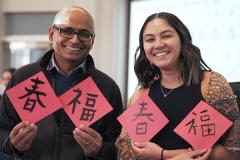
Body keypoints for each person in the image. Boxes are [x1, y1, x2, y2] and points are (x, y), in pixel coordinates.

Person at [0, 6, 123, 160]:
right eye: (67, 31)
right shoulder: (23, 78)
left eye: (84, 34)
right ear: (51, 34)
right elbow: (2, 129)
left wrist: (99, 150)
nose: (75, 39)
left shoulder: (106, 87)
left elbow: (119, 146)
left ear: (92, 40)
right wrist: (12, 145)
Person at [116, 12, 240, 160]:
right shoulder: (141, 97)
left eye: (166, 36)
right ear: (144, 49)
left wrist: (163, 155)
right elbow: (126, 155)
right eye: (150, 39)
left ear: (182, 40)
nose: (158, 44)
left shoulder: (211, 84)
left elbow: (233, 151)